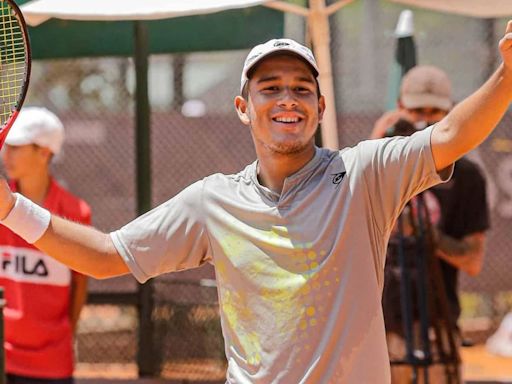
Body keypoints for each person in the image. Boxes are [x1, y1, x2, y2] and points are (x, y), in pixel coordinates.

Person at [0, 23, 511, 382]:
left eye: (301, 88)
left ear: (319, 105)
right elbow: (107, 255)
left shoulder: (362, 175)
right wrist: (9, 209)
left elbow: (450, 133)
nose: (288, 98)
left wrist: (507, 75)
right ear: (243, 108)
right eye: (270, 88)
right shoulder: (212, 201)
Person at [373, 66, 490, 383]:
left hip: (437, 324)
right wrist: (378, 139)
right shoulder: (380, 164)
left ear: (450, 111)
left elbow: (473, 260)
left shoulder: (467, 176)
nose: (425, 120)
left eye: (435, 112)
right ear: (400, 108)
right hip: (379, 325)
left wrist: (427, 234)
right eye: (416, 111)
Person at [0, 107, 91, 384]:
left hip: (51, 364)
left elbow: (79, 285)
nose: (7, 154)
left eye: (17, 147)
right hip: (2, 356)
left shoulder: (76, 211)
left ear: (44, 153)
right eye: (7, 146)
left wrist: (65, 335)